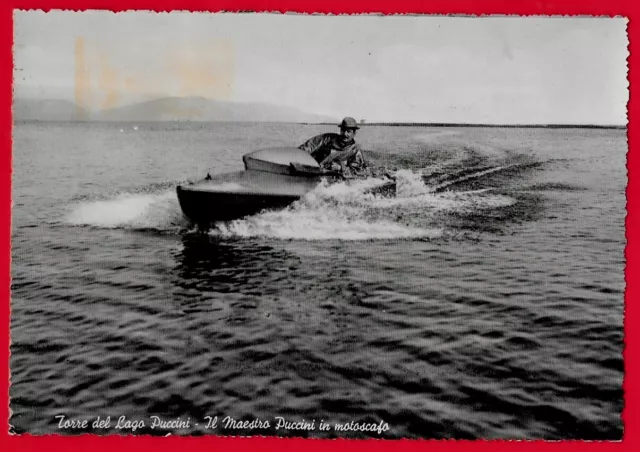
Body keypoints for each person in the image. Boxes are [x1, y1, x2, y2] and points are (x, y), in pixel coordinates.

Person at [298, 117, 367, 175]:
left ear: (354, 133)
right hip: (312, 168)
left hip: (331, 177)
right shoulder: (328, 138)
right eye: (343, 130)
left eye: (348, 131)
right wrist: (300, 155)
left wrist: (340, 168)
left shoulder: (355, 150)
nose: (345, 134)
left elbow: (358, 171)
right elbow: (310, 145)